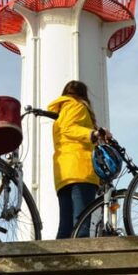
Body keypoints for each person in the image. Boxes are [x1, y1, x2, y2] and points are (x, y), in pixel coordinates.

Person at [47, 80, 104, 239]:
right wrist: (92, 134)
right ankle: (82, 262)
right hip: (80, 168)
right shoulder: (77, 106)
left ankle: (58, 261)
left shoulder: (61, 113)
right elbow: (70, 129)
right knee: (82, 224)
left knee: (65, 225)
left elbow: (65, 130)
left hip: (63, 173)